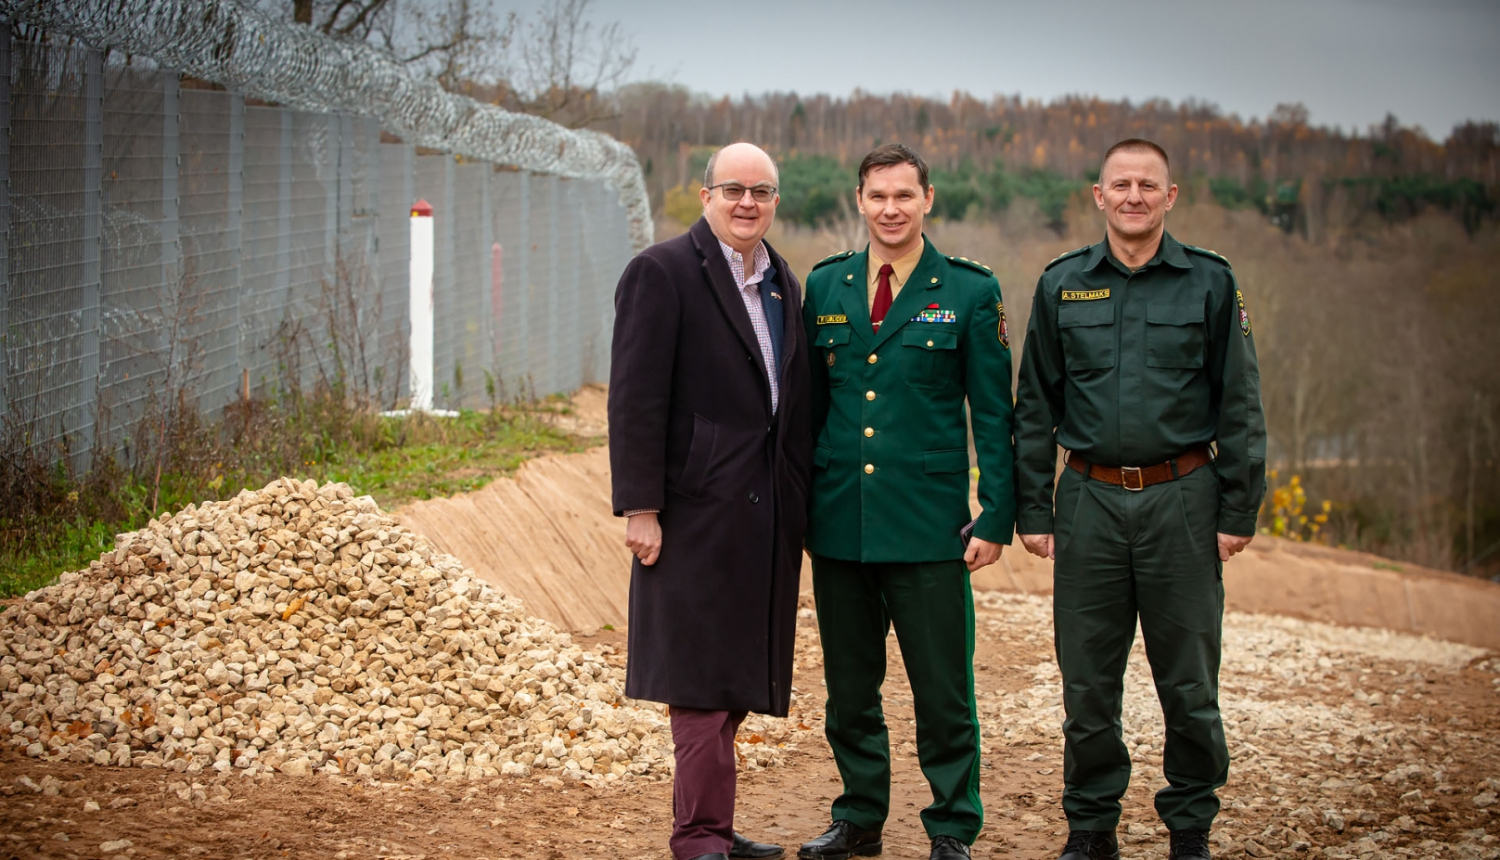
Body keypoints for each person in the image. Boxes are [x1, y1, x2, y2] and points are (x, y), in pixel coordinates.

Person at [1012, 139, 1266, 860]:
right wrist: (1034, 509)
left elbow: (1241, 403)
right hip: (1087, 501)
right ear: (1098, 196)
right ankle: (1091, 827)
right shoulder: (1062, 284)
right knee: (1088, 682)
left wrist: (1237, 512)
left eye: (1146, 185)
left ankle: (1190, 826)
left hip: (1183, 499)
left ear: (1170, 196)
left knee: (1188, 681)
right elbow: (1035, 406)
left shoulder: (1212, 283)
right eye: (1119, 184)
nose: (1133, 196)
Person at [798, 143, 1016, 860]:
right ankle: (859, 814)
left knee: (943, 693)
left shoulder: (968, 291)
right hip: (840, 523)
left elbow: (993, 414)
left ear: (929, 200)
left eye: (904, 195)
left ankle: (952, 824)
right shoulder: (826, 287)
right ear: (857, 201)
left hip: (929, 527)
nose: (890, 209)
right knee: (850, 692)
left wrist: (997, 512)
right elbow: (806, 410)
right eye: (877, 196)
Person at [608, 142, 813, 860]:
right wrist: (641, 506)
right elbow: (634, 398)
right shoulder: (661, 273)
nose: (747, 202)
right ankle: (698, 839)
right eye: (733, 189)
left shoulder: (784, 281)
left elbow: (789, 405)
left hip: (761, 516)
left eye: (761, 191)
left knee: (732, 682)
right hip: (691, 512)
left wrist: (800, 508)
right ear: (705, 196)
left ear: (775, 202)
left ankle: (715, 827)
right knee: (697, 685)